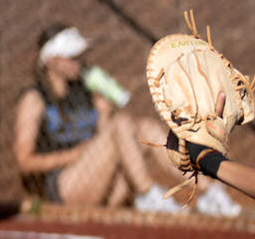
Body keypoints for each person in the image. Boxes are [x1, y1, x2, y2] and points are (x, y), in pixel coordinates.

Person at [13, 23, 241, 216]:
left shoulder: (84, 92)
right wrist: (73, 155)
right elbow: (25, 161)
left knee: (144, 127)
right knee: (121, 123)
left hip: (100, 180)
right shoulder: (35, 99)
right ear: (52, 61)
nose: (80, 62)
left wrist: (102, 114)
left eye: (80, 56)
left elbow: (104, 141)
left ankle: (207, 191)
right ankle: (146, 192)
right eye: (72, 57)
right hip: (64, 187)